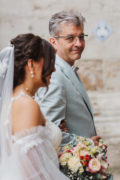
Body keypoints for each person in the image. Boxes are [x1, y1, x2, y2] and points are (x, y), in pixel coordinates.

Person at [0, 33, 69, 180]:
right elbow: (31, 172)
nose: (54, 69)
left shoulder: (16, 101)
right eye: (50, 62)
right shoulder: (25, 105)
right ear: (31, 64)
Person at [36, 11, 100, 145]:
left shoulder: (66, 69)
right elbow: (48, 132)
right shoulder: (54, 76)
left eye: (81, 37)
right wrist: (86, 145)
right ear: (53, 42)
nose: (79, 43)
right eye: (70, 38)